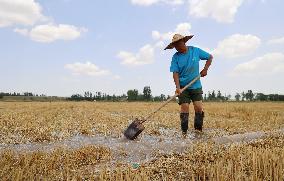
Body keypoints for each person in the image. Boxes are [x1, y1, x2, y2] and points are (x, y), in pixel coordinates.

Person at [164, 34, 213, 136]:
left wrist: (205, 69)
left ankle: (198, 131)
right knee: (185, 107)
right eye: (175, 46)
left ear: (184, 42)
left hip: (196, 85)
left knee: (198, 107)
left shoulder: (195, 51)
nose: (177, 47)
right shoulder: (176, 57)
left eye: (178, 44)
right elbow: (175, 73)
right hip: (183, 87)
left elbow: (210, 57)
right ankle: (184, 133)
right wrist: (178, 88)